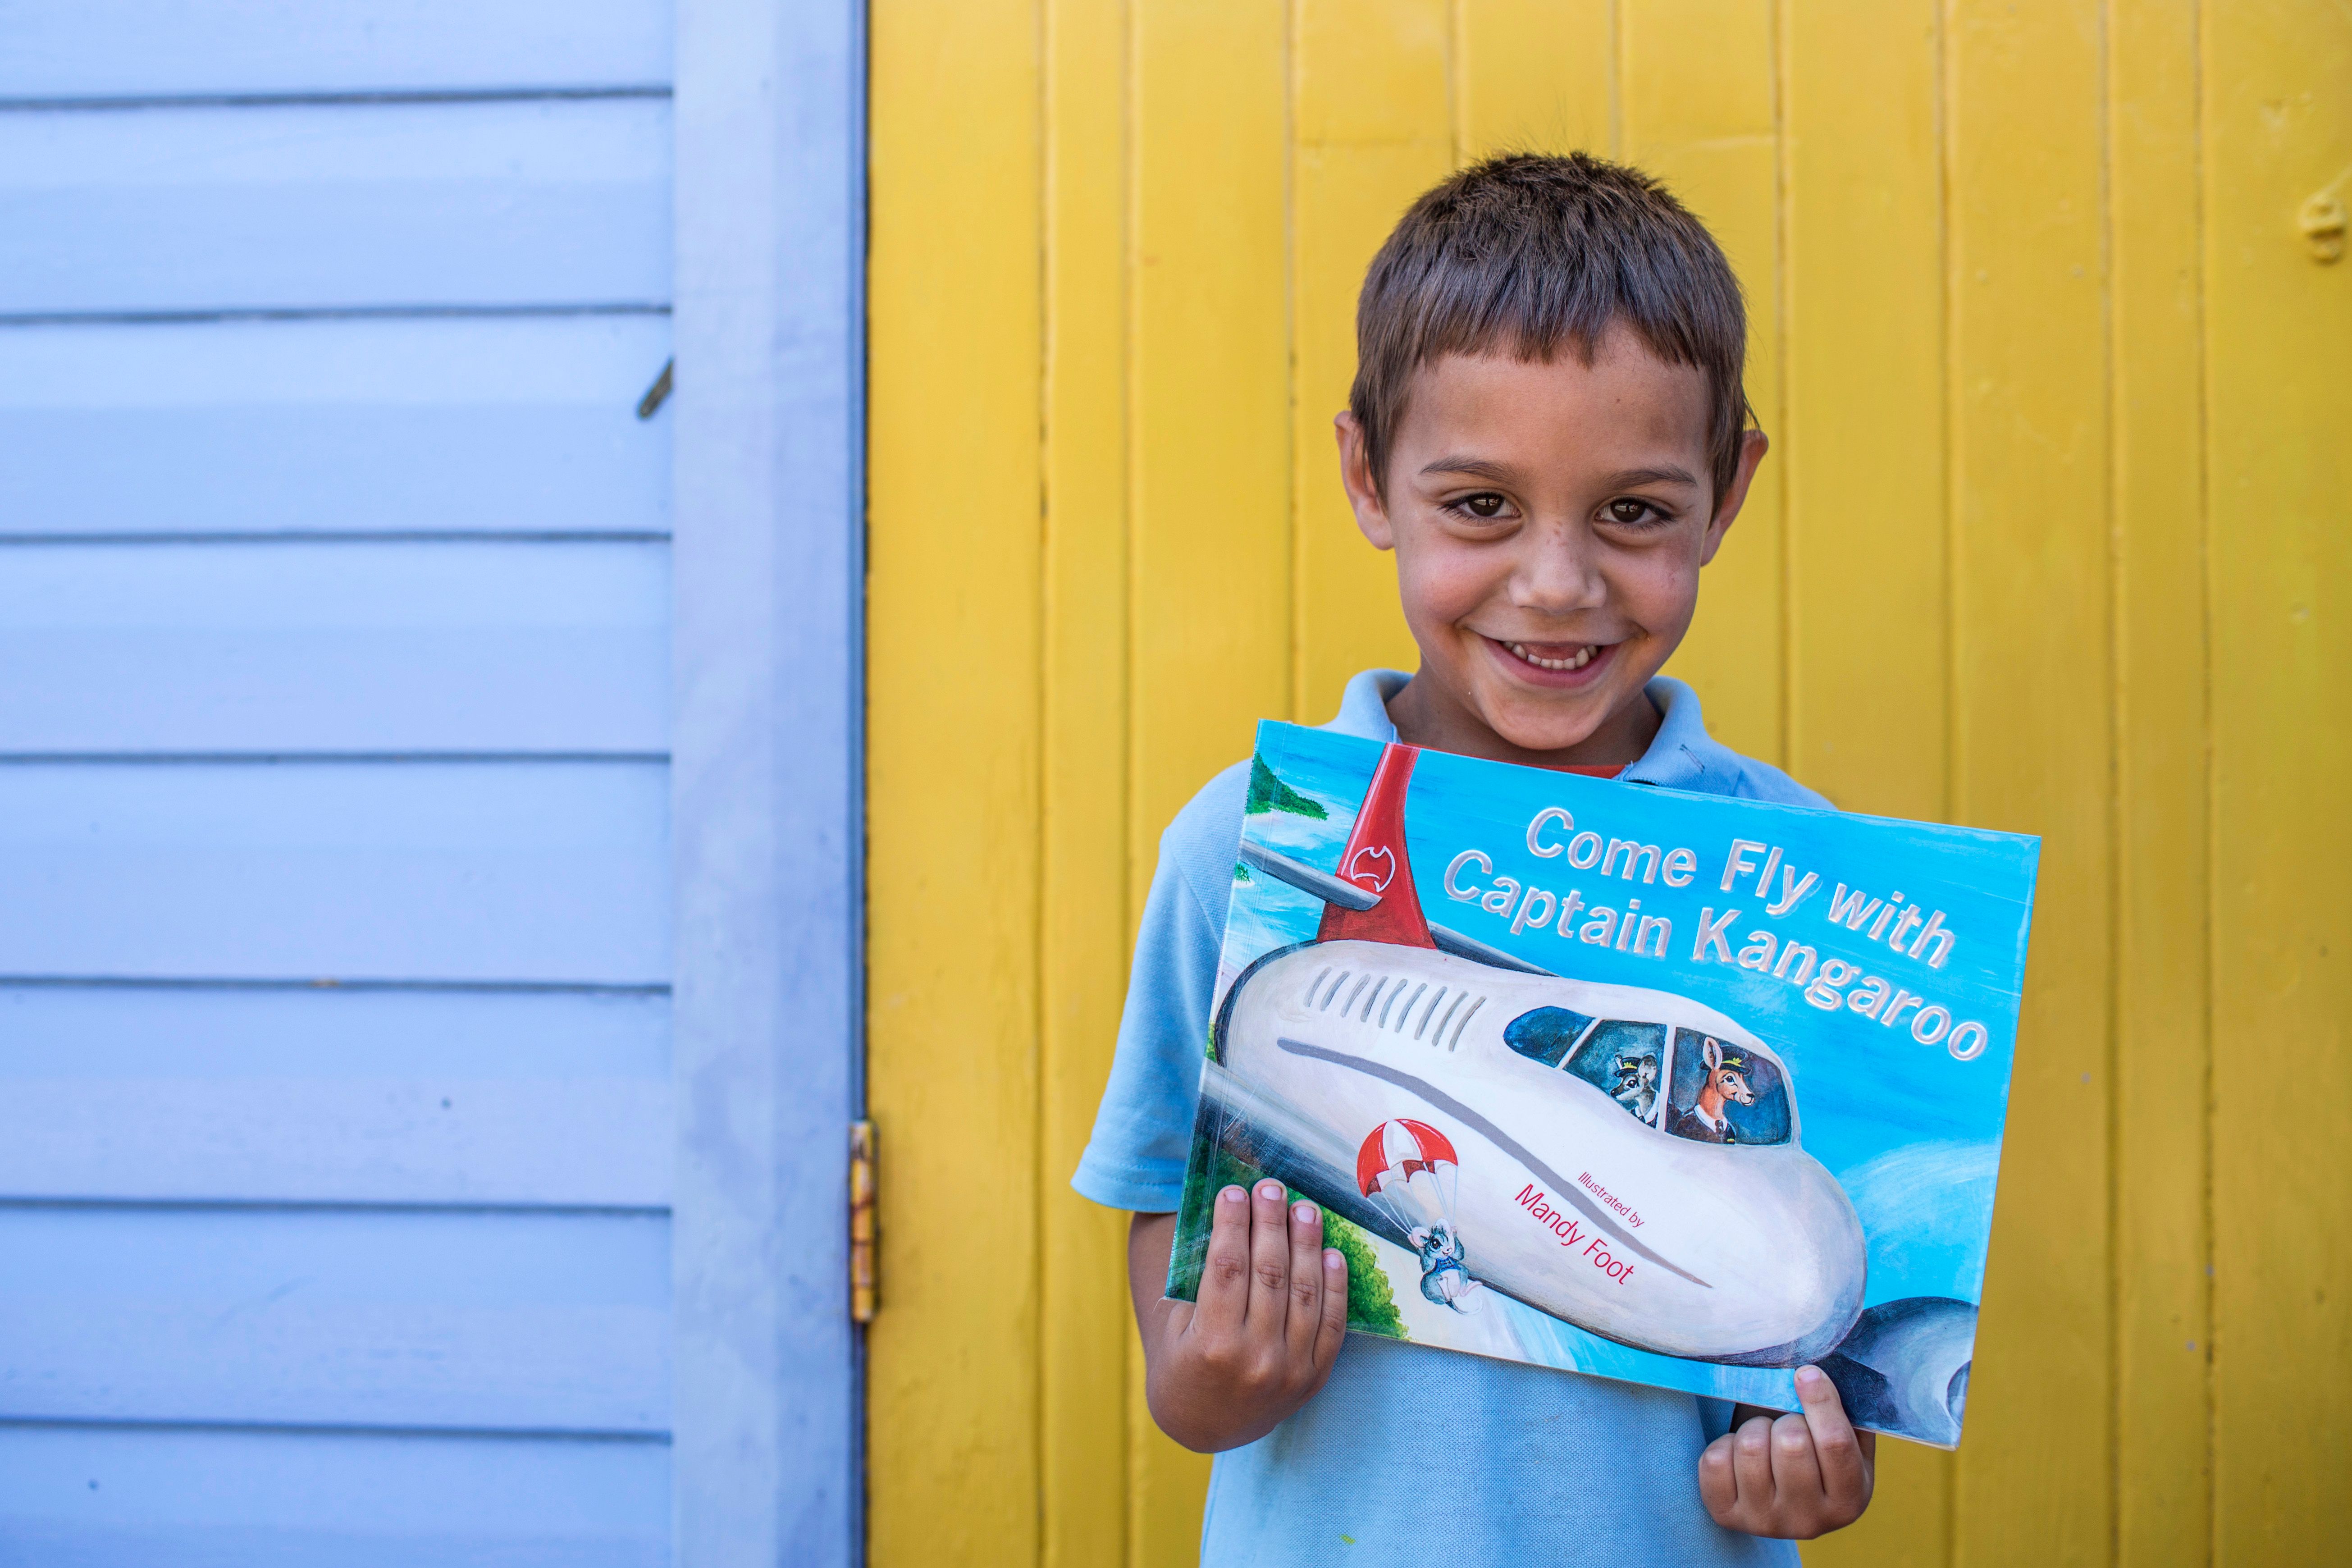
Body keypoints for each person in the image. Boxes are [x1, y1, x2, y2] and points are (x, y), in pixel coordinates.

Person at [1072, 152, 1874, 1563]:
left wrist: (1814, 1462)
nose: (1555, 584)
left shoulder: (1797, 876)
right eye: (1479, 506)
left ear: (1728, 489)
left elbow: (1813, 1370)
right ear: (1366, 478)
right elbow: (1162, 1201)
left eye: (1632, 511)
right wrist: (1200, 1375)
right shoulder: (1253, 847)